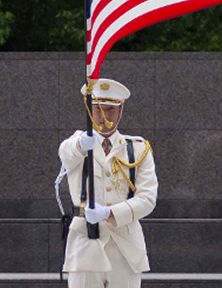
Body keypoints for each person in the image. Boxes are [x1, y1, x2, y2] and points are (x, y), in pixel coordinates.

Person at [58, 79, 158, 288]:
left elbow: (147, 198)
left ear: (121, 111)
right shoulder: (77, 144)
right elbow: (66, 154)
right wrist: (81, 144)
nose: (104, 117)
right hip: (86, 241)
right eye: (97, 109)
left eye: (111, 110)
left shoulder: (138, 149)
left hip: (125, 245)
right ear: (89, 111)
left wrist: (110, 213)